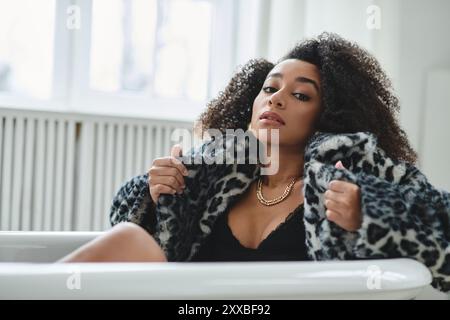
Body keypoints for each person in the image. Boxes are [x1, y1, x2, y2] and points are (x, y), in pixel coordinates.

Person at [58, 32, 450, 293]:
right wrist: (152, 193)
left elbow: (441, 228)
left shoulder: (352, 182)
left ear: (331, 115)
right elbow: (126, 248)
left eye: (301, 95)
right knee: (129, 239)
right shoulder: (207, 177)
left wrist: (371, 211)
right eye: (269, 88)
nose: (276, 99)